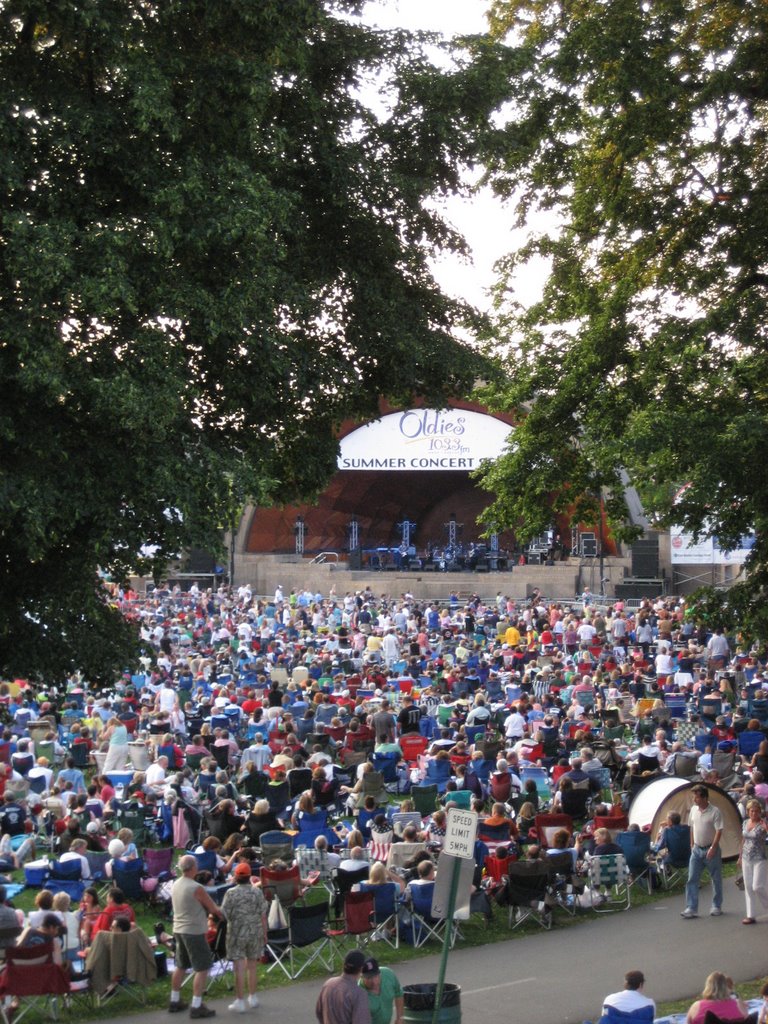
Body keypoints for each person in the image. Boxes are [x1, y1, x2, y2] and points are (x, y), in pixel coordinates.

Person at [169, 854, 225, 1018]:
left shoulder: (176, 884)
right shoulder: (196, 887)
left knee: (181, 964)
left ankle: (174, 1000)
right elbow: (213, 908)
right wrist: (221, 913)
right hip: (194, 931)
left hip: (178, 929)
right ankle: (196, 1004)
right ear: (194, 867)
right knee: (202, 967)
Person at [220, 861, 267, 1013]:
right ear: (249, 876)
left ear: (235, 877)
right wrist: (265, 933)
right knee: (252, 966)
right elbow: (263, 914)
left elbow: (224, 914)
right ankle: (253, 997)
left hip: (236, 933)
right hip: (255, 931)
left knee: (239, 967)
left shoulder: (231, 893)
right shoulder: (257, 892)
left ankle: (240, 1000)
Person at [682, 784, 723, 918]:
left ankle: (716, 905)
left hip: (711, 849)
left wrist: (713, 848)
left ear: (705, 798)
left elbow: (719, 831)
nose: (694, 799)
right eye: (694, 796)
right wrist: (692, 844)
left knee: (715, 878)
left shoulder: (715, 811)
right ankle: (691, 908)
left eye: (697, 797)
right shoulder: (694, 810)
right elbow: (692, 827)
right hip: (697, 849)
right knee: (692, 878)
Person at [316, 948, 372, 1024]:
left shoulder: (328, 984)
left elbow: (319, 1012)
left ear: (344, 964)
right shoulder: (359, 994)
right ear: (361, 969)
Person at [738, 798, 768, 924]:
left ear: (759, 812)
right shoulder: (745, 823)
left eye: (756, 811)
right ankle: (750, 915)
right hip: (746, 857)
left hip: (759, 858)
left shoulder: (762, 824)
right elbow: (743, 840)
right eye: (751, 811)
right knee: (748, 886)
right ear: (747, 811)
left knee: (757, 886)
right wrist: (739, 856)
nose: (753, 814)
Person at [359, 957, 404, 1024]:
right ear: (361, 976)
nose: (374, 982)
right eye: (369, 978)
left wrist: (399, 1018)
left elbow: (398, 993)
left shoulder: (388, 974)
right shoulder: (358, 993)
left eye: (376, 976)